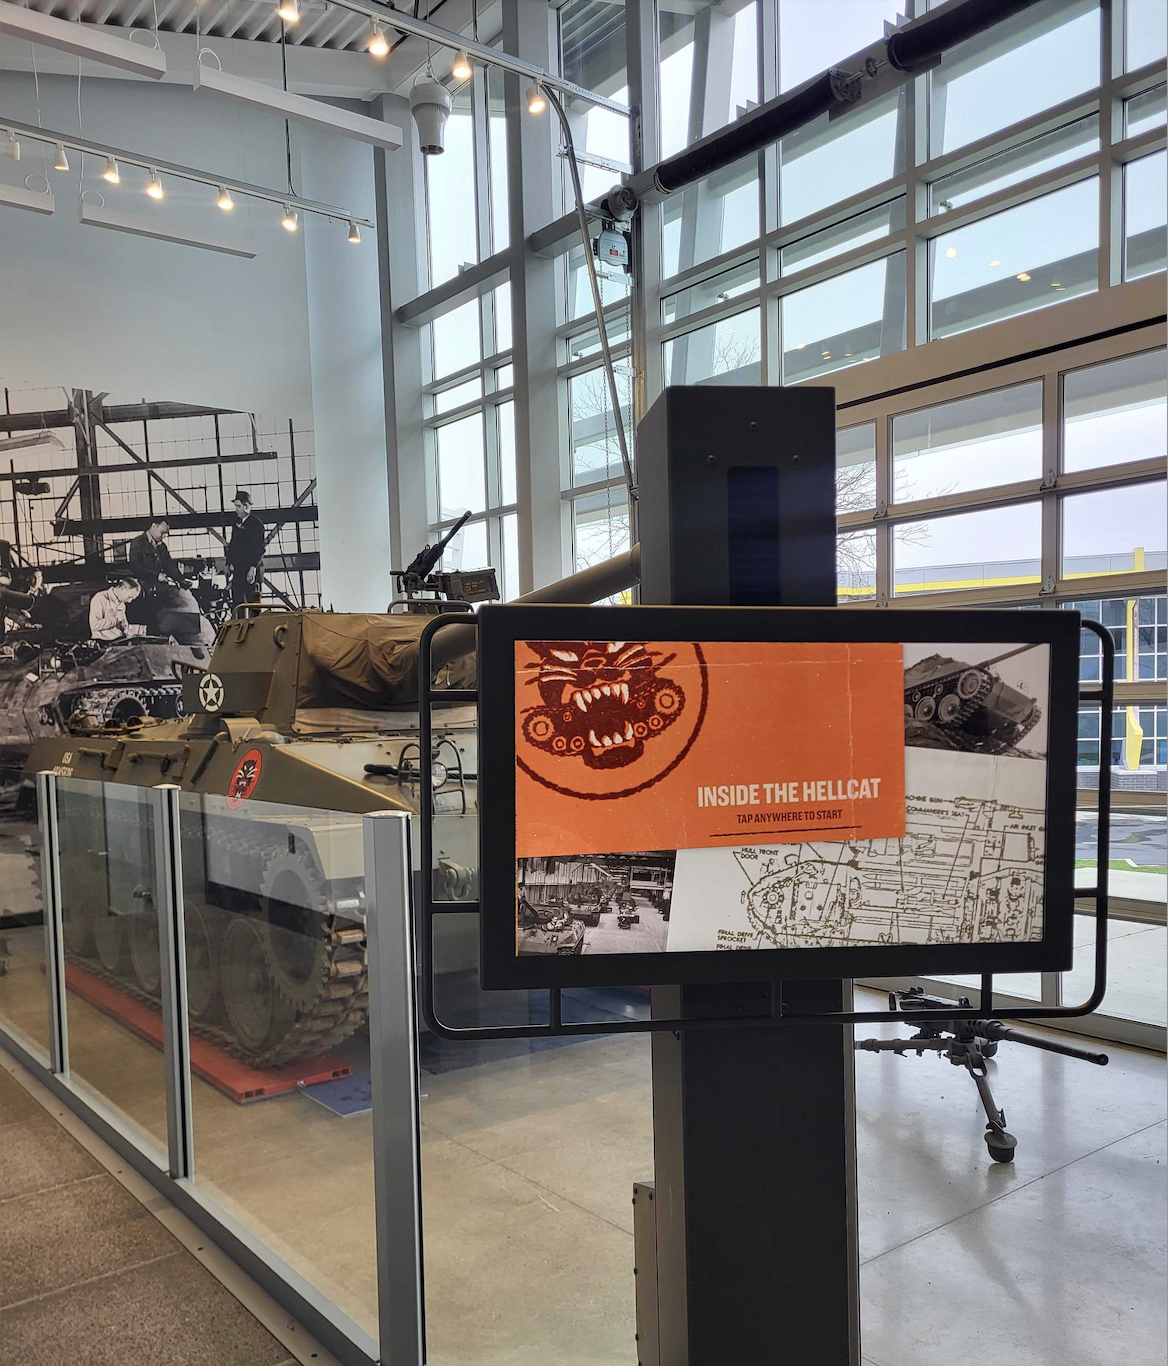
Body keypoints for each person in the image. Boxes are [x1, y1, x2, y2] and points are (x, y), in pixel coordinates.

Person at [226, 490, 265, 608]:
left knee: (253, 604)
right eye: (235, 506)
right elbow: (232, 545)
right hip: (239, 570)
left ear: (246, 506)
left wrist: (253, 568)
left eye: (238, 506)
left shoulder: (256, 524)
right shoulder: (236, 524)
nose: (236, 509)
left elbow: (259, 549)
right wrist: (228, 562)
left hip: (251, 570)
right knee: (237, 602)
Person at [128, 519, 181, 591]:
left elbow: (169, 565)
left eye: (166, 534)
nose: (164, 536)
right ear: (154, 526)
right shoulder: (137, 543)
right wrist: (156, 575)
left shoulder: (162, 546)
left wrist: (181, 579)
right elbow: (136, 567)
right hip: (144, 588)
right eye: (162, 532)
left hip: (161, 588)